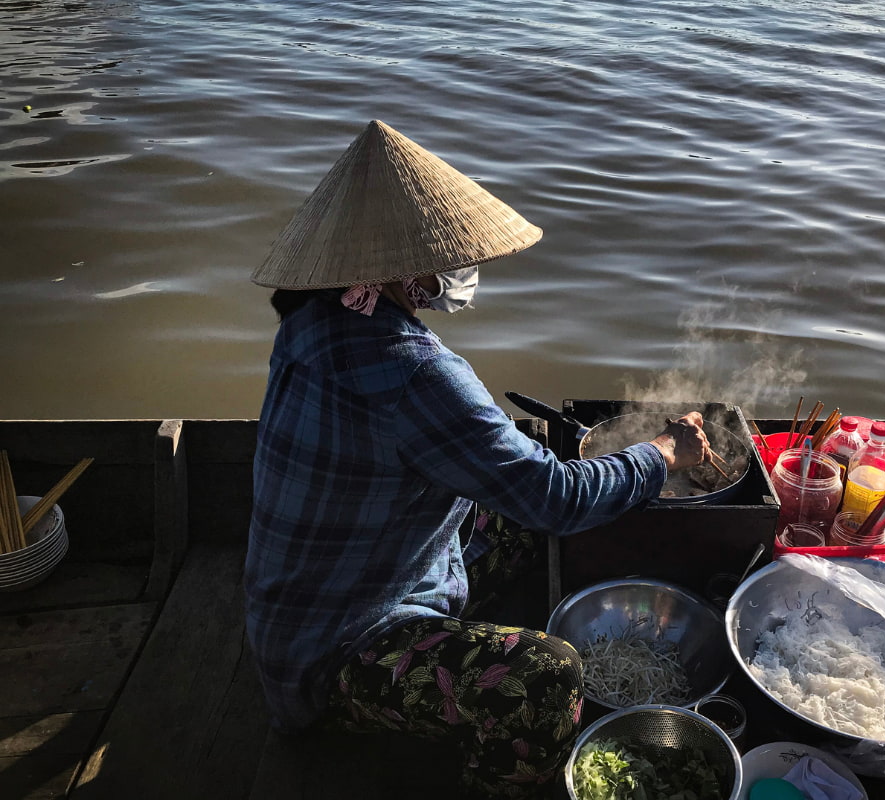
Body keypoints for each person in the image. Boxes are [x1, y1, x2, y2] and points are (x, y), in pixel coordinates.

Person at [244, 119, 713, 798]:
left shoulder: (311, 320)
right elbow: (556, 498)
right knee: (546, 677)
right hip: (333, 661)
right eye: (444, 257)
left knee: (511, 508)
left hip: (303, 609)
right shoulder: (414, 372)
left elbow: (497, 473)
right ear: (408, 271)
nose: (461, 272)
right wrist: (660, 454)